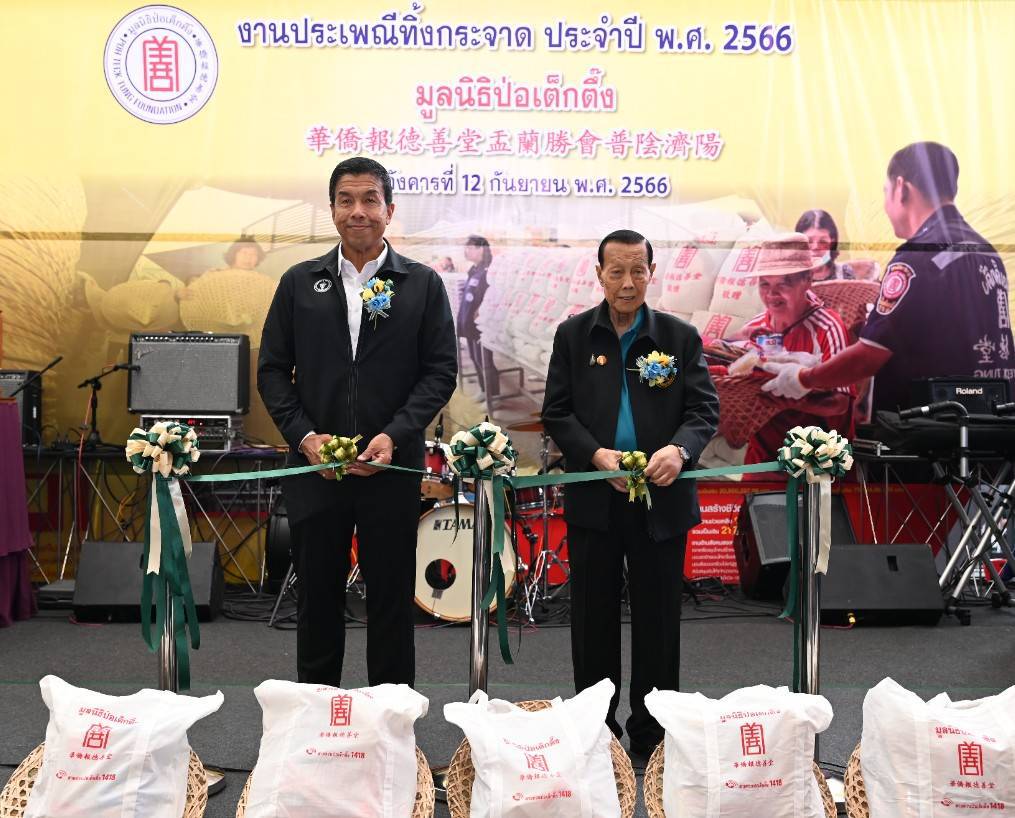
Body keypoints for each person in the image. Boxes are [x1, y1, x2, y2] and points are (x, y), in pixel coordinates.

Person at [258, 157, 457, 686]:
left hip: (391, 470)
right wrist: (305, 438)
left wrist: (394, 435)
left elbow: (440, 373)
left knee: (390, 601)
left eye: (370, 199)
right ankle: (317, 716)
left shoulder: (421, 284)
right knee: (317, 601)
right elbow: (273, 371)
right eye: (346, 200)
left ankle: (390, 719)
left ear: (389, 210)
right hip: (315, 471)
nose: (358, 211)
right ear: (332, 210)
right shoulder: (300, 282)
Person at [541, 229, 719, 758]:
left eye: (637, 270)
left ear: (652, 273)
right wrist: (596, 456)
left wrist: (679, 451)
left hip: (661, 499)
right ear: (599, 274)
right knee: (591, 619)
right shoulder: (573, 336)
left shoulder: (679, 337)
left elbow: (703, 411)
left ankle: (653, 732)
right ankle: (596, 732)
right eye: (615, 271)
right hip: (595, 498)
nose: (626, 282)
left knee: (658, 620)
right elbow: (557, 413)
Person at [762, 141, 1015, 413]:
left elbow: (868, 358)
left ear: (901, 188)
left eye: (885, 192)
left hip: (935, 422)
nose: (885, 205)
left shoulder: (917, 257)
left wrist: (803, 379)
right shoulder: (986, 252)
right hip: (991, 416)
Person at [737, 233, 853, 463]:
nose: (772, 294)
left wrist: (792, 400)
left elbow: (841, 402)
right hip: (764, 457)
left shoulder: (827, 327)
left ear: (807, 280)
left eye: (783, 283)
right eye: (765, 284)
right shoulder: (756, 329)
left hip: (817, 458)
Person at [456, 235, 499, 398]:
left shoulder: (488, 270)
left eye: (470, 248)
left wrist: (481, 311)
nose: (466, 251)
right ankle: (484, 390)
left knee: (484, 360)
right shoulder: (473, 270)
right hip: (469, 322)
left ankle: (493, 394)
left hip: (481, 323)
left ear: (481, 249)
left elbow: (492, 296)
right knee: (475, 357)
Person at [794, 209, 850, 281]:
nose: (815, 247)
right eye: (809, 241)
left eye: (823, 241)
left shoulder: (844, 273)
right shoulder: (788, 277)